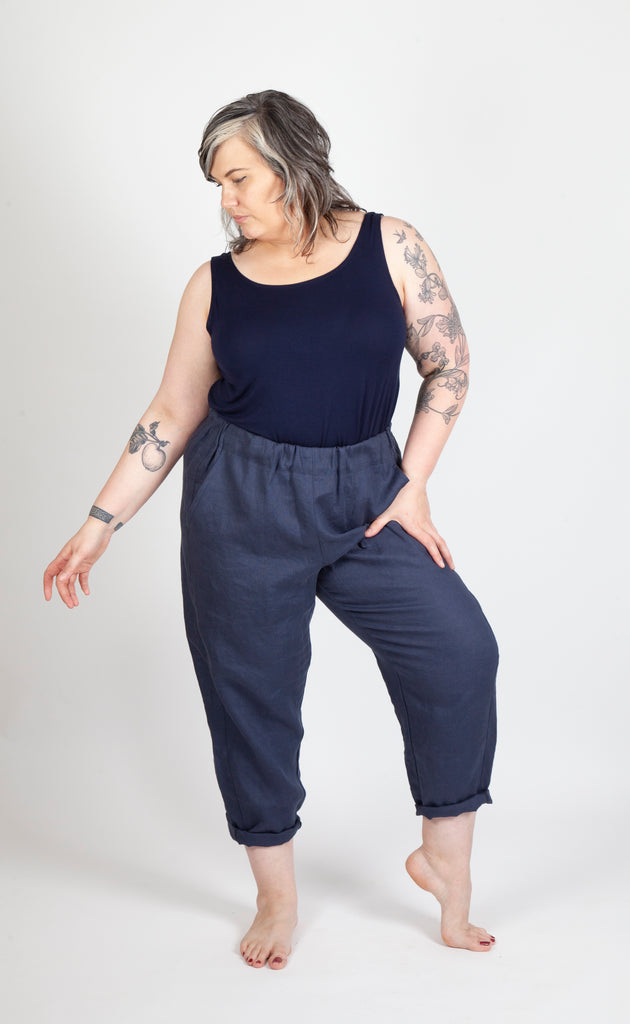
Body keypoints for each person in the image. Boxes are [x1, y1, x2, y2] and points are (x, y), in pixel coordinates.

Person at [43, 89, 499, 971]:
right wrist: (100, 523)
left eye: (240, 178)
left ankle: (444, 863)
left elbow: (448, 364)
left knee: (457, 649)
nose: (228, 200)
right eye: (219, 184)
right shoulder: (213, 284)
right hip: (240, 499)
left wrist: (411, 486)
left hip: (366, 493)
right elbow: (173, 410)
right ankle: (275, 897)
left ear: (292, 163)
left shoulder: (390, 244)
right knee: (252, 698)